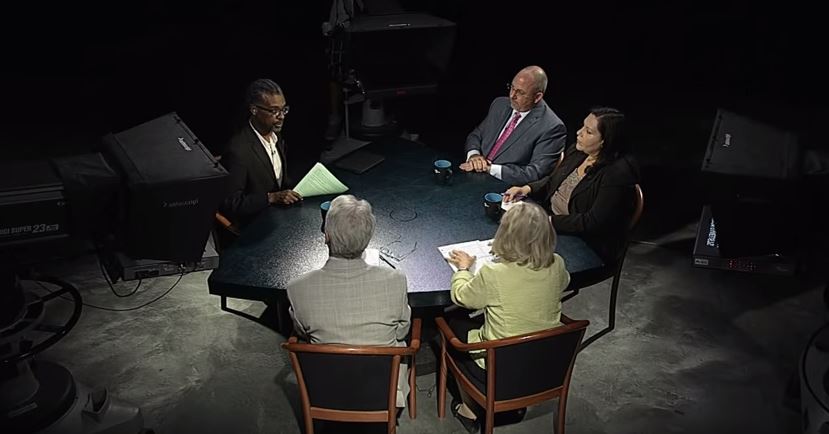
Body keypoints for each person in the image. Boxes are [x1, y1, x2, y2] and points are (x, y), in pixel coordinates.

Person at [445, 201, 570, 432]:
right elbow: (564, 283)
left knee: (452, 324)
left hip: (499, 366)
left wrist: (463, 269)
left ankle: (468, 409)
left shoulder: (493, 272)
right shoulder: (558, 263)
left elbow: (462, 297)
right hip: (546, 361)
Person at [286, 194, 412, 408]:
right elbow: (401, 331)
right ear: (369, 237)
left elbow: (302, 333)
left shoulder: (297, 288)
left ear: (326, 235)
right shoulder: (395, 280)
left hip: (326, 385)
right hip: (383, 387)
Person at [503, 107, 640, 264]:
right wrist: (526, 188)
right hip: (552, 221)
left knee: (518, 256)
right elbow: (553, 180)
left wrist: (547, 221)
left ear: (605, 141)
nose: (578, 133)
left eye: (588, 132)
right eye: (582, 126)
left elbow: (592, 222)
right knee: (506, 233)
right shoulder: (579, 151)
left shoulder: (617, 174)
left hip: (585, 242)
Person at [459, 65, 567, 185]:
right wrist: (474, 155)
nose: (512, 96)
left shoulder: (552, 127)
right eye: (512, 88)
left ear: (537, 97)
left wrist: (489, 169)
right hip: (474, 175)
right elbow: (476, 135)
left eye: (520, 92)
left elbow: (534, 173)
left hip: (506, 187)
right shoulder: (499, 104)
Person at [219, 79, 302, 228]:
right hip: (256, 227)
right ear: (254, 110)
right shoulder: (237, 150)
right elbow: (231, 203)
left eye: (284, 109)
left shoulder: (277, 136)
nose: (281, 116)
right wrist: (270, 198)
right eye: (274, 111)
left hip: (280, 217)